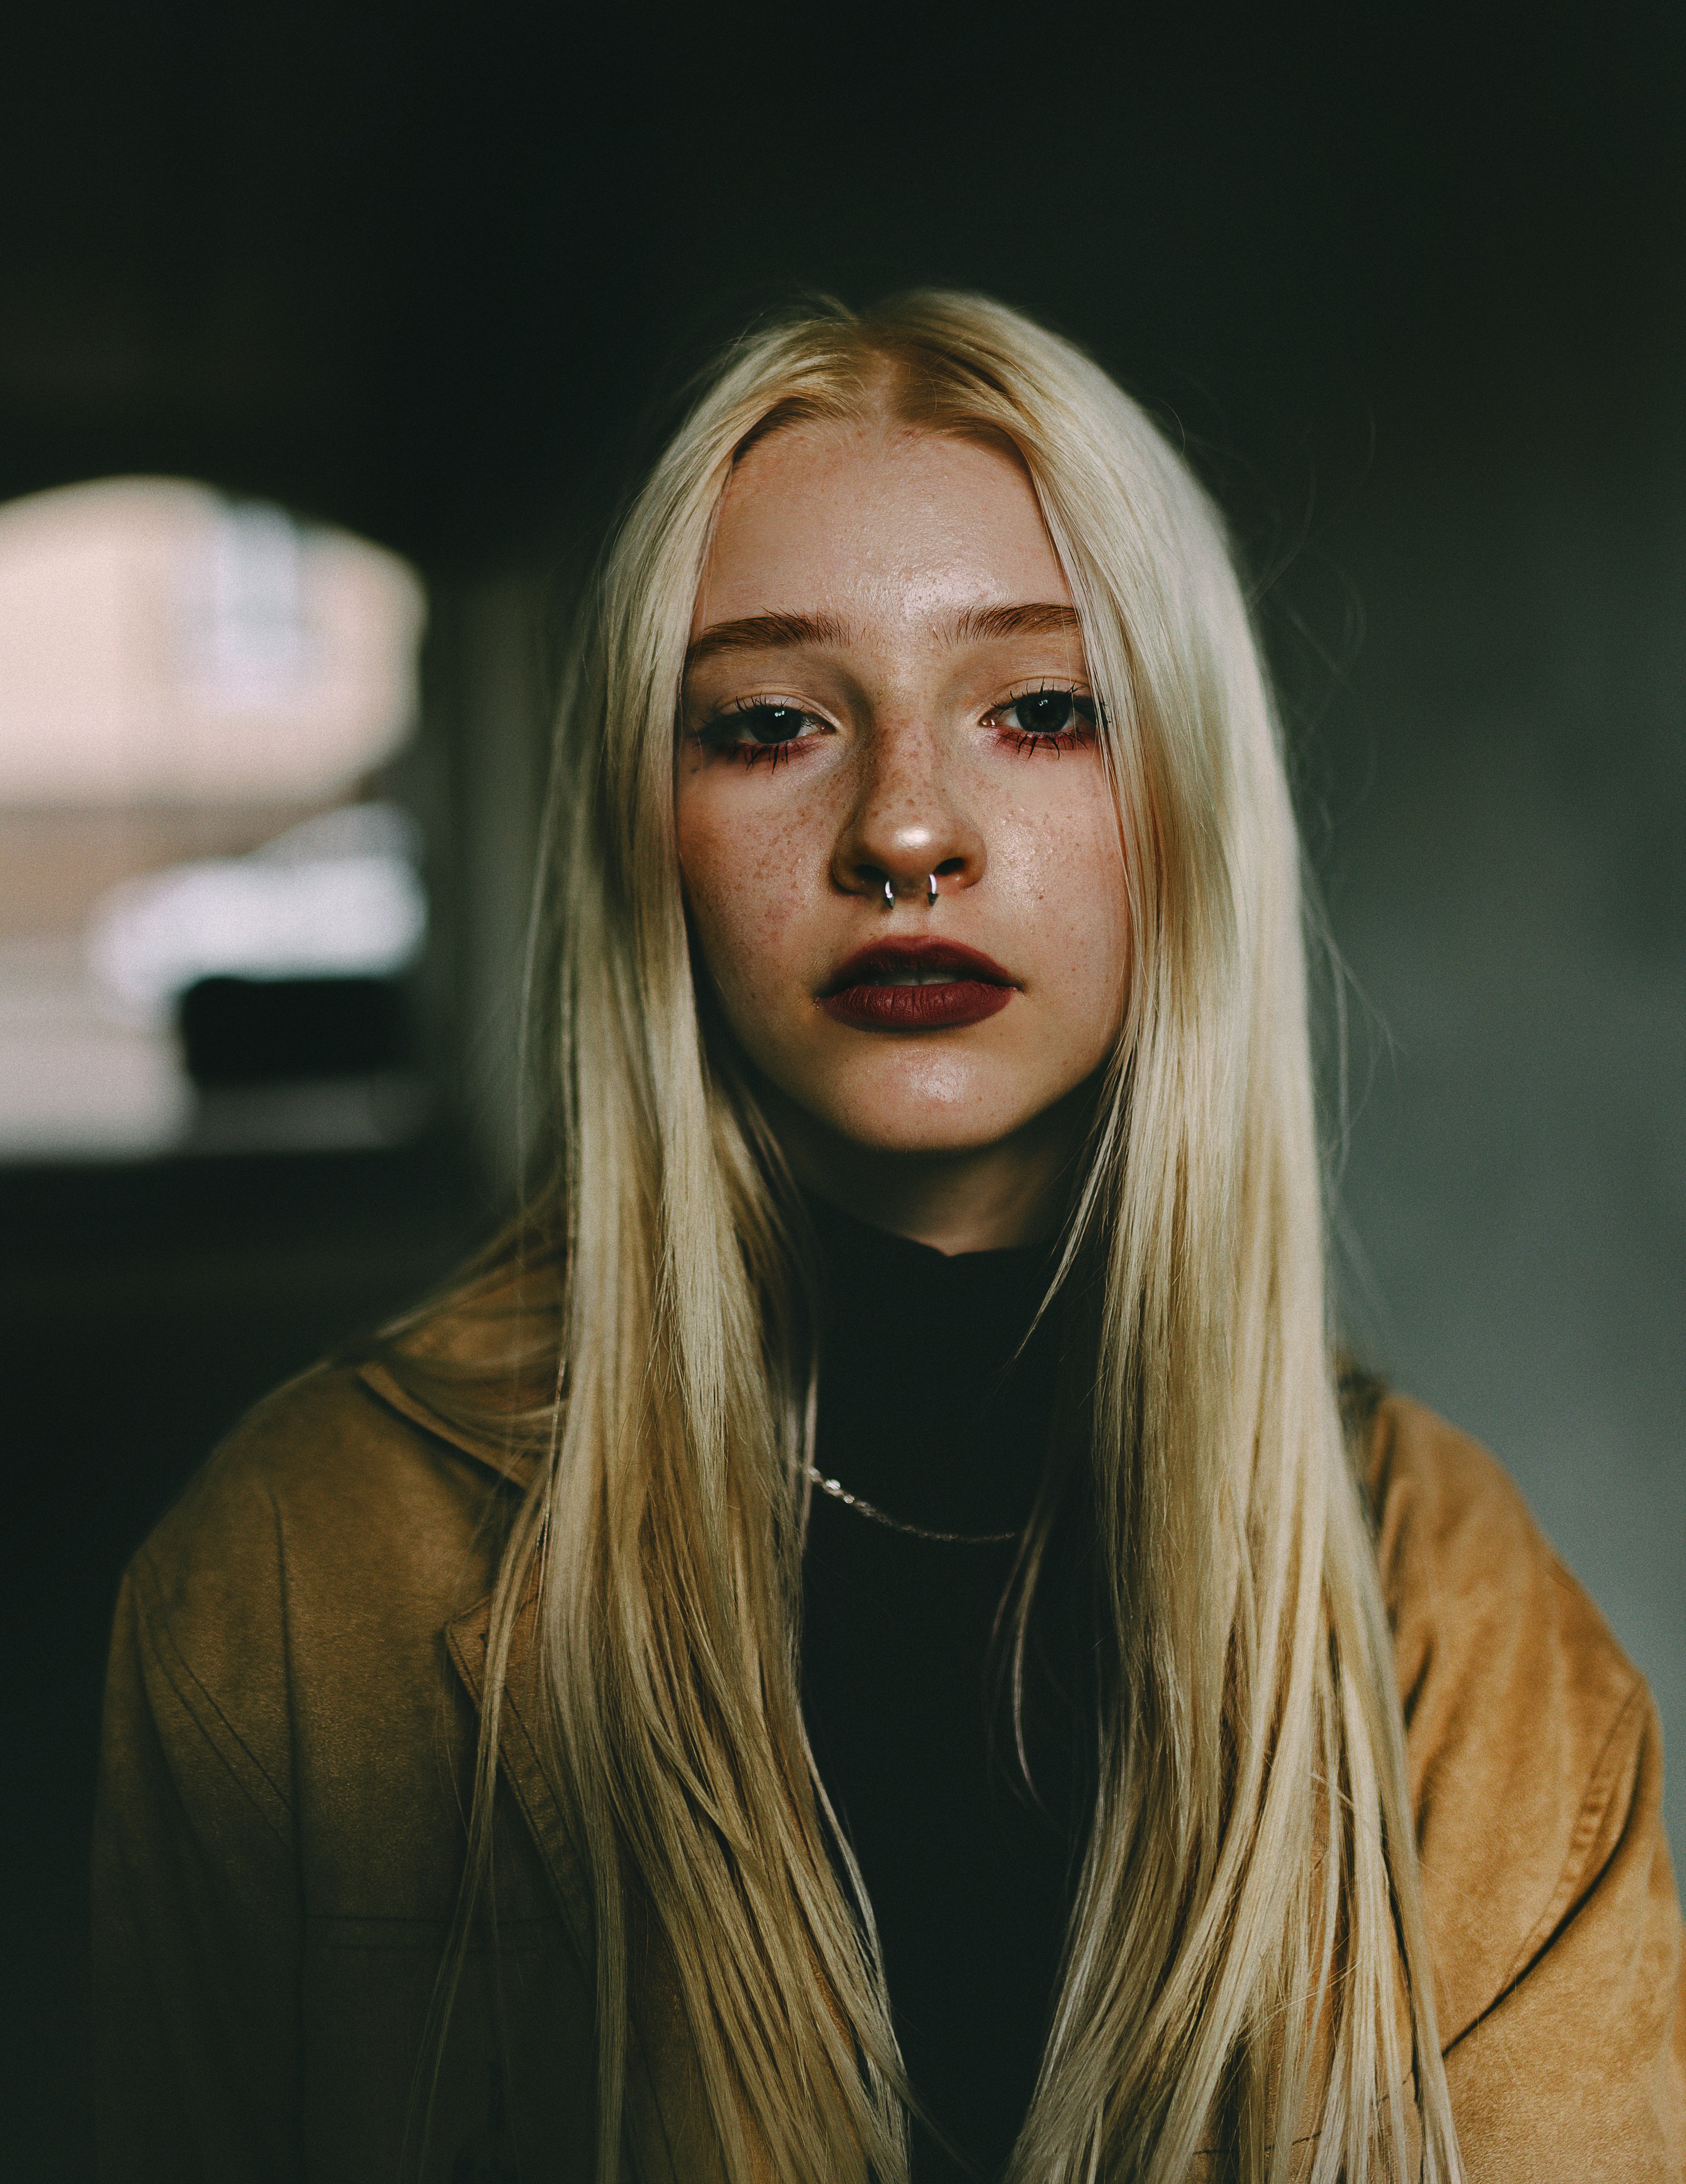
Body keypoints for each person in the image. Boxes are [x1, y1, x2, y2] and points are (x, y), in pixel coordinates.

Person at [94, 293, 1684, 2184]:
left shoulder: (1457, 1618)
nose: (906, 828)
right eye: (766, 722)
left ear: (1182, 796)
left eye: (1039, 707)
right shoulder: (300, 1574)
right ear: (642, 831)